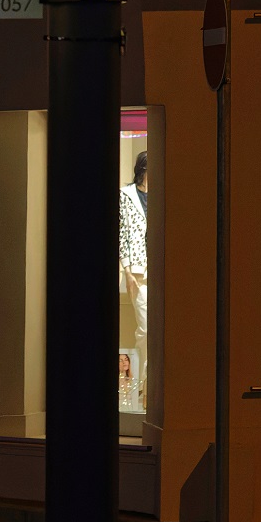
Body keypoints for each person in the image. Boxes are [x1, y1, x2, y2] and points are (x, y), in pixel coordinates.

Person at [118, 151, 148, 402]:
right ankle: (143, 384)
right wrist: (127, 271)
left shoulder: (162, 194)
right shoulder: (126, 195)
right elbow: (123, 234)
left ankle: (146, 385)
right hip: (138, 271)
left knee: (157, 329)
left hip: (160, 266)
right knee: (146, 328)